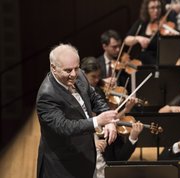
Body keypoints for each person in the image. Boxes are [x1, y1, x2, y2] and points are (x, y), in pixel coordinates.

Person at [36, 44, 119, 178]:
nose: (74, 74)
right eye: (68, 70)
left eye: (76, 68)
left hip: (85, 156)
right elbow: (64, 127)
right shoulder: (46, 95)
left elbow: (94, 97)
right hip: (63, 165)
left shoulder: (79, 74)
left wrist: (108, 120)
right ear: (53, 68)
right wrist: (98, 120)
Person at [80, 56, 144, 178]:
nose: (97, 80)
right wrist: (92, 144)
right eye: (93, 76)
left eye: (99, 76)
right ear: (83, 73)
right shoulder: (77, 99)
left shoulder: (98, 91)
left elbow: (107, 119)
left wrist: (126, 109)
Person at [124, 0, 167, 65]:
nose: (156, 11)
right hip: (143, 63)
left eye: (158, 7)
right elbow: (126, 40)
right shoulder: (142, 23)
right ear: (147, 9)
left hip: (160, 62)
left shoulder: (166, 24)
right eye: (152, 8)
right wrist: (138, 38)